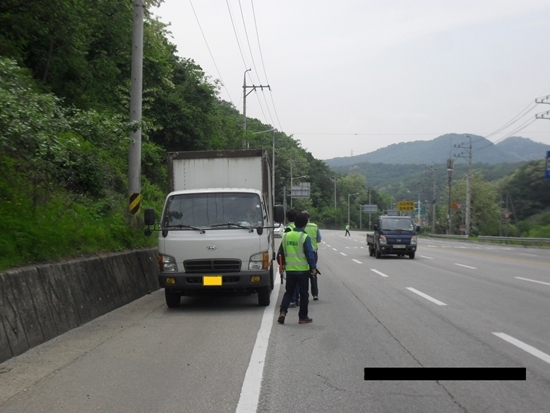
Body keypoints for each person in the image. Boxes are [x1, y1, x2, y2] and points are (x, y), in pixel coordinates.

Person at [277, 212, 317, 324]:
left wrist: (282, 265)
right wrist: (313, 268)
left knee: (288, 292)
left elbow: (281, 252)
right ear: (305, 224)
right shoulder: (304, 237)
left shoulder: (285, 236)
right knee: (304, 294)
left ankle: (283, 312)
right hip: (302, 271)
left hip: (290, 270)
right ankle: (303, 317)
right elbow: (310, 254)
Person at [277, 209, 300, 307]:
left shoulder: (288, 229)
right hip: (300, 258)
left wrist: (281, 261)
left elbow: (284, 246)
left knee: (292, 282)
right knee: (298, 281)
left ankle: (293, 299)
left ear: (287, 218)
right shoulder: (298, 227)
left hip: (291, 259)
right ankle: (296, 299)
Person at [302, 210, 321, 300]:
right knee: (313, 272)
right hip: (313, 252)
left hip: (302, 253)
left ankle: (303, 294)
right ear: (309, 218)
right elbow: (319, 239)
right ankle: (315, 294)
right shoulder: (315, 226)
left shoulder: (300, 226)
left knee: (303, 273)